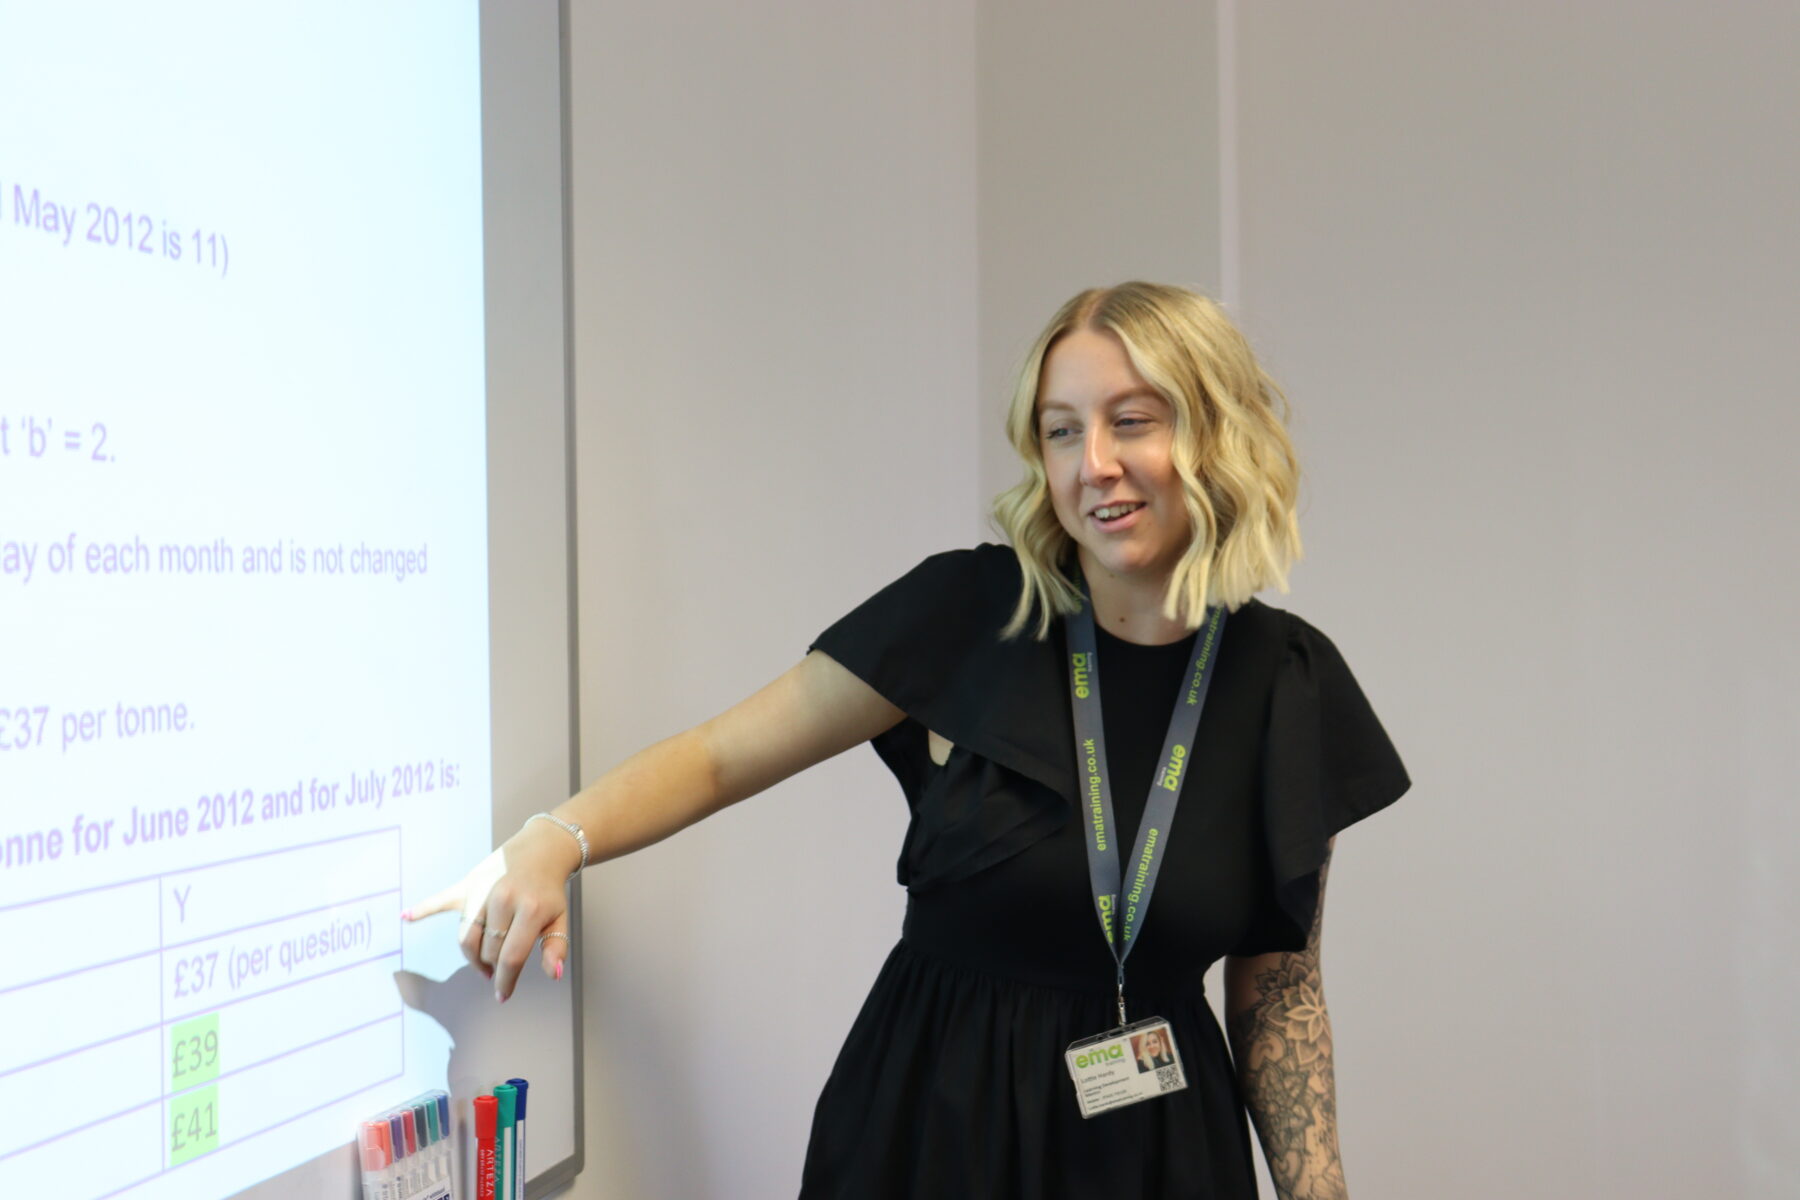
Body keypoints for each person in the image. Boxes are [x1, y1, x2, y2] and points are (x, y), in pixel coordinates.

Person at [406, 281, 1411, 1198]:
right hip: (934, 1126)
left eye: (1130, 423)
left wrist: (1318, 1193)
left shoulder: (1288, 684)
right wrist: (553, 841)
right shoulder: (969, 615)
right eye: (1061, 433)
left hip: (1157, 1149)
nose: (1092, 465)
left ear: (1214, 431)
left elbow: (1279, 988)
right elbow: (718, 756)